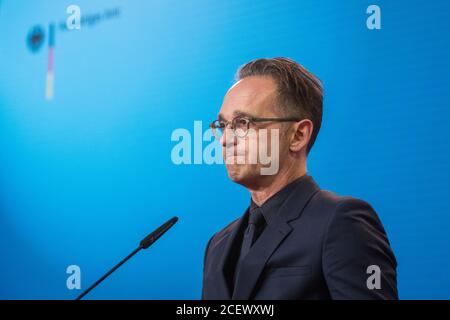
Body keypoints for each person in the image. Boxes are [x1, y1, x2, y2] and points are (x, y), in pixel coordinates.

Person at [201, 57, 398, 299]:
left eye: (243, 123)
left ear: (298, 135)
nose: (225, 139)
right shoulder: (217, 245)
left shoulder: (342, 222)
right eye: (223, 125)